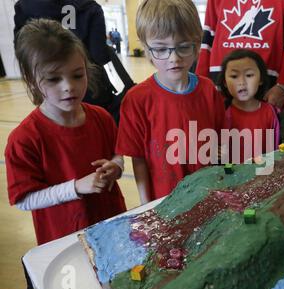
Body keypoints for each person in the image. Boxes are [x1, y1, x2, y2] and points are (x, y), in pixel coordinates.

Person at [6, 19, 127, 245]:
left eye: (77, 75)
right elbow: (23, 199)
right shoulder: (24, 139)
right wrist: (75, 188)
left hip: (112, 226)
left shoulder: (101, 117)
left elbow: (117, 154)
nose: (68, 86)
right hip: (64, 239)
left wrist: (116, 167)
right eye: (53, 79)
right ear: (32, 81)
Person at [116, 0, 225, 204]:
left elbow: (219, 143)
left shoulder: (208, 90)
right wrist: (145, 204)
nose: (174, 58)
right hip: (163, 201)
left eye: (183, 47)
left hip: (207, 195)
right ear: (147, 49)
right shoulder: (137, 100)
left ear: (196, 43)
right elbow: (138, 159)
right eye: (160, 49)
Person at [196, 0, 284, 142]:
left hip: (267, 93)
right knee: (221, 154)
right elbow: (209, 34)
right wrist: (201, 83)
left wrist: (283, 85)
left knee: (266, 157)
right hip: (220, 91)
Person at [13, 0, 134, 124]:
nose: (68, 87)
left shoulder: (25, 6)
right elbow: (99, 54)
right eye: (54, 79)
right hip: (91, 86)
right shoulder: (90, 6)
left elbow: (21, 49)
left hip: (49, 89)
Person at [218, 49, 279, 163]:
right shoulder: (221, 112)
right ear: (225, 82)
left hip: (261, 175)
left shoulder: (269, 112)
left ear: (260, 79)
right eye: (234, 76)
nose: (242, 82)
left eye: (249, 75)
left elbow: (273, 151)